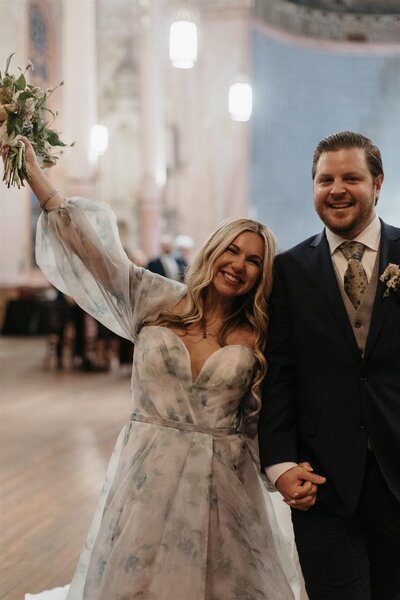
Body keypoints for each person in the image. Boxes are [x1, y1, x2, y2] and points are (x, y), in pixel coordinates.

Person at [5, 138, 300, 600]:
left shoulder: (258, 335)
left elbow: (273, 411)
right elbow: (91, 251)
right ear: (212, 249)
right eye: (232, 251)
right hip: (148, 472)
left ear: (261, 276)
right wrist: (34, 172)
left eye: (253, 261)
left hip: (224, 483)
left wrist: (287, 469)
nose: (238, 265)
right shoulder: (154, 297)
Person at [258, 131, 400, 599]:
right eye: (325, 180)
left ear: (377, 183)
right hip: (321, 481)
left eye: (351, 177)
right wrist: (280, 462)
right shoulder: (289, 272)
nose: (336, 189)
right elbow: (278, 374)